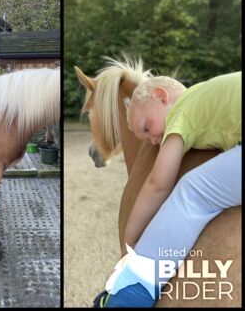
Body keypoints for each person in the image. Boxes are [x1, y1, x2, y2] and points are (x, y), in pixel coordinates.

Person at [93, 71, 241, 307]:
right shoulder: (205, 97)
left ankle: (129, 296)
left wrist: (129, 244)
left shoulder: (181, 113)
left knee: (192, 193)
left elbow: (158, 185)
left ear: (161, 97)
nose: (151, 141)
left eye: (145, 127)